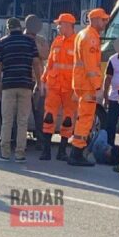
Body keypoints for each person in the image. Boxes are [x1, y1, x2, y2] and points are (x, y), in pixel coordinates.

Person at [0, 18, 43, 163]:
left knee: (7, 120)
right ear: (20, 27)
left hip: (8, 85)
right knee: (23, 121)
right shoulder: (29, 42)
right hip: (25, 85)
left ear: (8, 28)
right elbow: (36, 63)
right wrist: (39, 83)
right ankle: (20, 153)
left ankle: (5, 153)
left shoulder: (3, 42)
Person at [68, 8, 109, 167]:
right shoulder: (91, 38)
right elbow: (91, 66)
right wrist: (98, 87)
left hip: (81, 83)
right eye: (103, 20)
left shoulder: (83, 34)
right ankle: (76, 154)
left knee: (83, 118)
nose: (105, 23)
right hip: (87, 85)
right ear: (95, 20)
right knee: (85, 119)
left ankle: (76, 152)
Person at [39, 13, 77, 161]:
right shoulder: (57, 41)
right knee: (48, 117)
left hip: (70, 87)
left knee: (68, 119)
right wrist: (43, 81)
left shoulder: (77, 43)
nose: (58, 26)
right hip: (54, 86)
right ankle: (46, 150)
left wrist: (77, 88)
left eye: (60, 24)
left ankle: (62, 151)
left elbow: (80, 68)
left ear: (68, 25)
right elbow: (49, 64)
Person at [24, 14, 49, 150]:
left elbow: (45, 55)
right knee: (22, 112)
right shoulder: (20, 39)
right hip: (24, 80)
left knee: (39, 113)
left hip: (38, 81)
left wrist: (33, 43)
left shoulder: (41, 40)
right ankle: (20, 140)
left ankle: (41, 141)